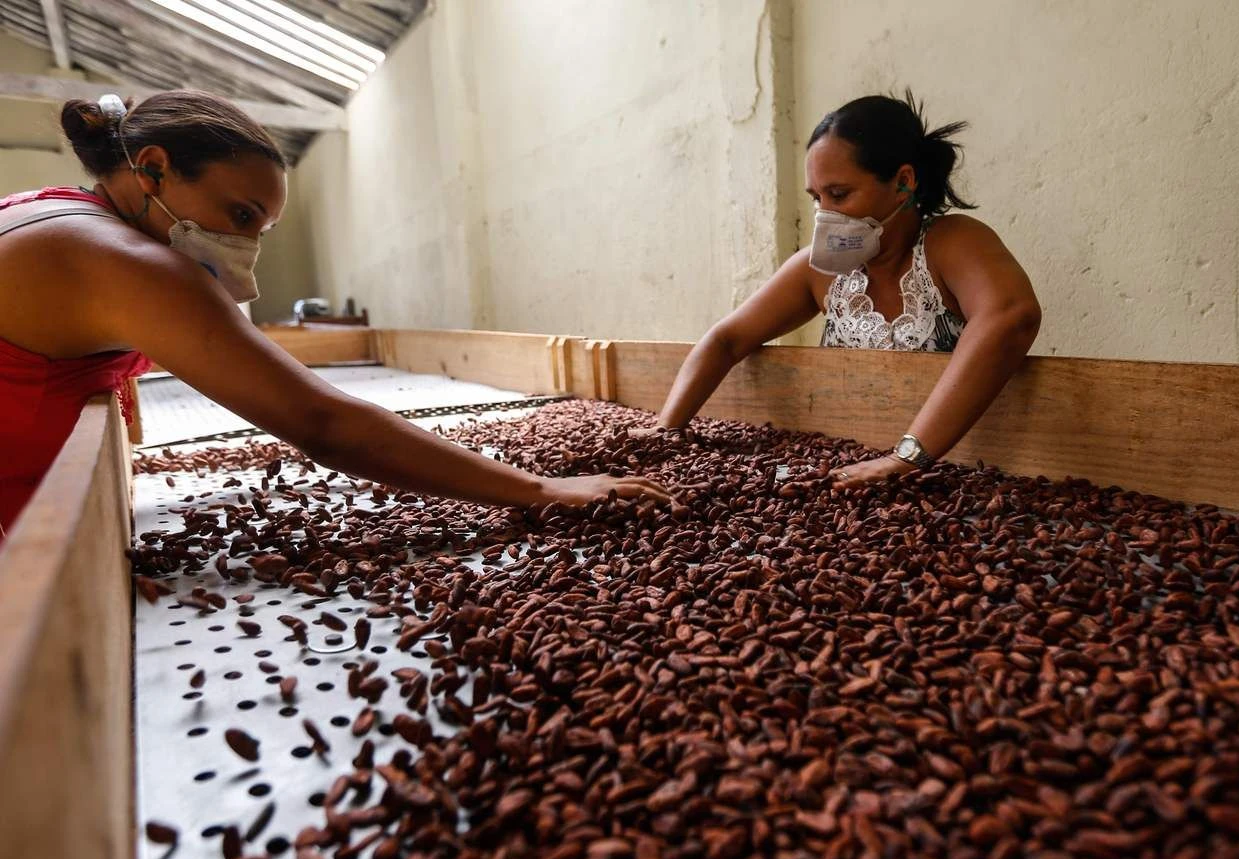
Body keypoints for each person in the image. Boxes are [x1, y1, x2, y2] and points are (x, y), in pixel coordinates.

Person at [0, 90, 668, 537]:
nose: (245, 243)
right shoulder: (131, 263)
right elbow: (323, 424)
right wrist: (540, 490)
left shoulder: (53, 210)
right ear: (152, 169)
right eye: (240, 214)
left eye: (260, 228)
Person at [636, 92, 1042, 486]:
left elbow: (1011, 316)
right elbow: (726, 340)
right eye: (817, 198)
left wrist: (906, 458)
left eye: (839, 194)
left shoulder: (951, 242)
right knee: (772, 494)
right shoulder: (820, 271)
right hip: (841, 470)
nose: (824, 214)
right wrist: (666, 430)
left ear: (903, 181)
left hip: (954, 472)